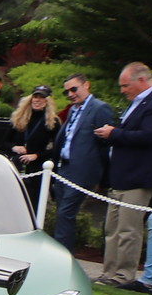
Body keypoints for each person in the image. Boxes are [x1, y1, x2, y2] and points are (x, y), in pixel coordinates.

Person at [94, 62, 152, 286]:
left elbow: (149, 136)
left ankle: (123, 276)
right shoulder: (137, 103)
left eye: (125, 85)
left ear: (141, 80)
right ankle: (109, 273)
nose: (122, 90)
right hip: (120, 176)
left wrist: (114, 134)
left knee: (128, 230)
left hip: (137, 178)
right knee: (112, 228)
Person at [46, 73, 112, 250]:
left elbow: (105, 144)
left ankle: (62, 255)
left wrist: (102, 177)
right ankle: (62, 252)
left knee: (65, 213)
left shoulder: (99, 108)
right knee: (62, 213)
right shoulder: (73, 110)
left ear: (86, 85)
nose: (70, 94)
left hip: (82, 171)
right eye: (67, 91)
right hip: (64, 168)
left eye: (74, 89)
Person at [9, 84, 59, 202]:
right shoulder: (18, 117)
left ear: (47, 101)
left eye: (42, 97)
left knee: (33, 202)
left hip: (37, 169)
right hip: (17, 165)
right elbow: (3, 142)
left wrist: (36, 155)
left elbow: (57, 148)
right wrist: (14, 147)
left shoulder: (53, 122)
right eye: (35, 96)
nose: (37, 100)